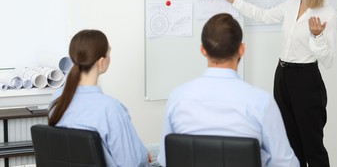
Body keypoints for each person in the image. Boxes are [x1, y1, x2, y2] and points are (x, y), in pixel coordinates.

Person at [216, 0, 337, 167]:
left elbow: (328, 60)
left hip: (306, 81)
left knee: (312, 147)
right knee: (290, 145)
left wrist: (317, 36)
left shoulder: (327, 13)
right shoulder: (292, 3)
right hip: (282, 76)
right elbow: (263, 15)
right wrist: (232, 0)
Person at [157, 13, 299, 167]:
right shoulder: (261, 103)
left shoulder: (177, 98)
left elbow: (166, 160)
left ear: (203, 50)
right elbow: (285, 164)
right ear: (241, 49)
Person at [48, 29, 150, 167]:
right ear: (101, 62)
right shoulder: (110, 108)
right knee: (157, 151)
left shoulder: (57, 98)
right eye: (109, 52)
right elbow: (133, 163)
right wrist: (143, 154)